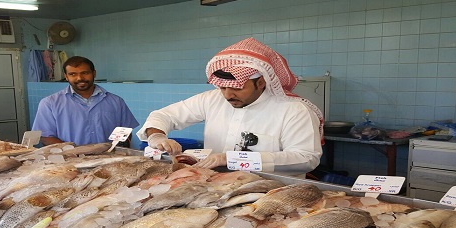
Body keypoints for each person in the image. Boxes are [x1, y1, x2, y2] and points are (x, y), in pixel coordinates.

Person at [136, 37, 324, 176]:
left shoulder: (294, 110)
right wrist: (156, 135)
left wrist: (232, 159)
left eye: (237, 88)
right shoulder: (212, 99)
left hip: (272, 192)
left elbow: (306, 158)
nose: (227, 95)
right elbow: (165, 115)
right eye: (222, 87)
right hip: (216, 186)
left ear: (261, 83)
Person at [32, 56, 139, 146]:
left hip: (107, 161)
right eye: (72, 74)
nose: (79, 78)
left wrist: (116, 151)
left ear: (94, 73)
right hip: (68, 162)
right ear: (66, 76)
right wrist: (74, 153)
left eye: (85, 73)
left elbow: (125, 131)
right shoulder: (49, 103)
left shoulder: (116, 102)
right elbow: (46, 137)